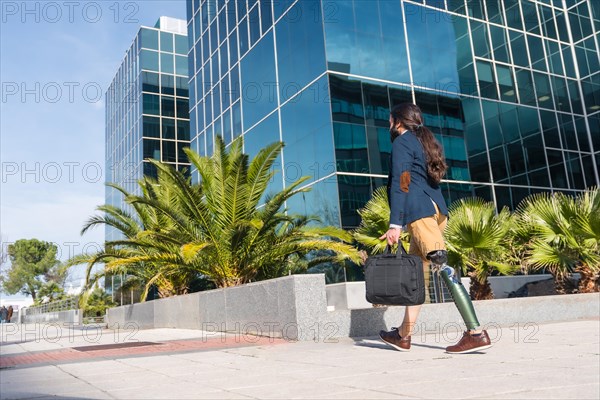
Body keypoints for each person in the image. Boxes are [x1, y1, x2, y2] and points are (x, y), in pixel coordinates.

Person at [378, 103, 492, 354]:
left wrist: (395, 223)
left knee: (442, 265)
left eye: (390, 120)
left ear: (398, 121)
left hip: (420, 214)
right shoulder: (423, 141)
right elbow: (414, 178)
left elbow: (402, 182)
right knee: (417, 277)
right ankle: (403, 335)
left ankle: (475, 332)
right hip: (436, 211)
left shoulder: (403, 142)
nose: (389, 124)